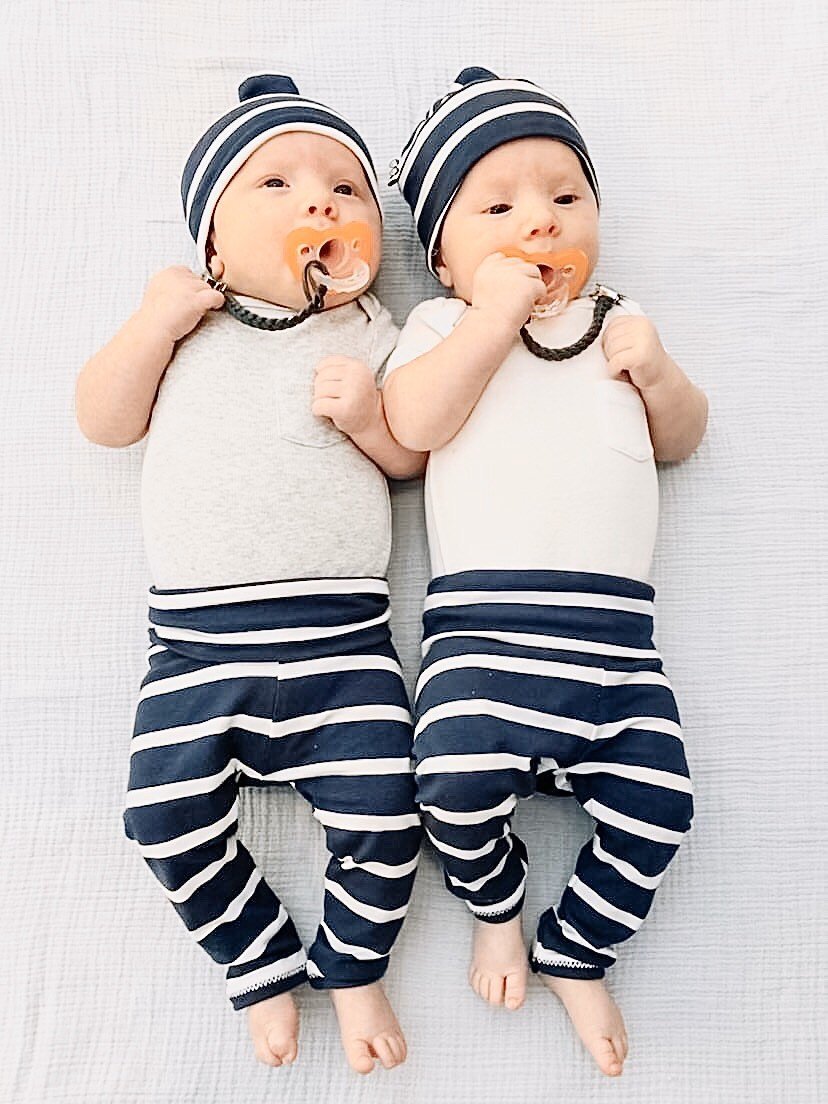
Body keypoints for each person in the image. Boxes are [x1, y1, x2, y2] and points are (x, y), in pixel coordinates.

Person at [75, 73, 426, 1076]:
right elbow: (104, 422)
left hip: (345, 646)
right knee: (159, 815)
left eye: (346, 188)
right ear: (213, 245)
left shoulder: (371, 335)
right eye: (276, 183)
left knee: (387, 819)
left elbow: (411, 456)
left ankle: (355, 967)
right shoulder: (188, 329)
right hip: (197, 645)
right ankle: (258, 961)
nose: (320, 201)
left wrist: (368, 417)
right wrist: (153, 320)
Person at [383, 66, 707, 1078]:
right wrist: (489, 319)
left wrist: (657, 373)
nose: (540, 223)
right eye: (500, 206)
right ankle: (498, 907)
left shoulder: (619, 319)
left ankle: (579, 945)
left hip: (616, 644)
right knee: (447, 784)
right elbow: (413, 425)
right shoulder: (439, 328)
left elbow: (683, 440)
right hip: (482, 638)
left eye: (567, 198)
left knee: (662, 803)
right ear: (441, 253)